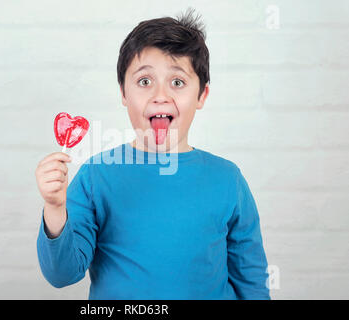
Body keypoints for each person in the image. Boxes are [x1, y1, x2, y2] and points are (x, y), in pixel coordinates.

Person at [35, 8, 270, 300]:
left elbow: (251, 279)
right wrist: (55, 208)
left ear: (202, 96)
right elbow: (62, 274)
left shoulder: (228, 178)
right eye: (145, 82)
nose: (160, 95)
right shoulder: (95, 177)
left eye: (177, 82)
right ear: (123, 92)